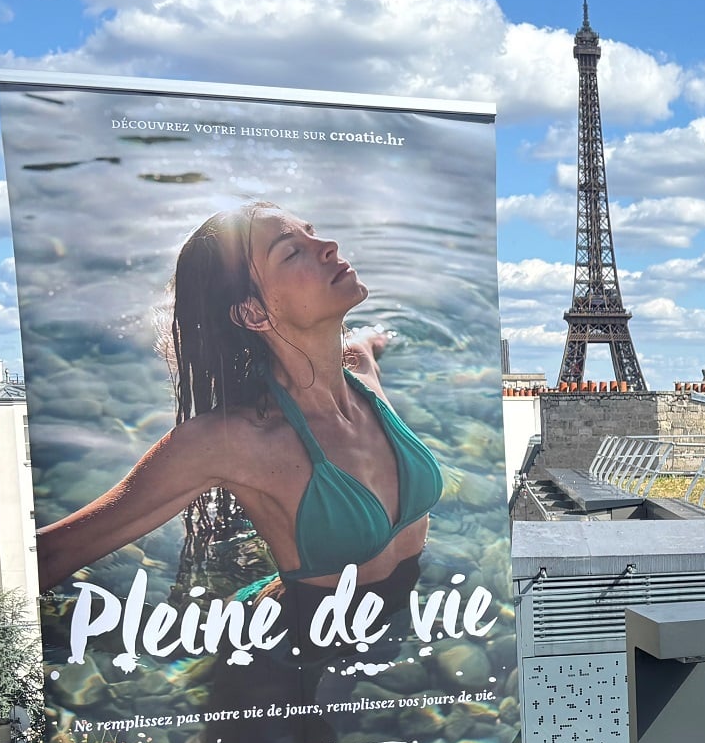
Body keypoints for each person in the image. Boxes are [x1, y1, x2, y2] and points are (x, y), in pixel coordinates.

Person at [36, 202, 441, 595]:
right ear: (254, 314)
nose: (329, 245)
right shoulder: (232, 441)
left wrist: (384, 336)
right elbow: (52, 553)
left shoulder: (362, 370)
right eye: (292, 252)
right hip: (299, 638)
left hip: (399, 616)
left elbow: (368, 339)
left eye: (312, 233)